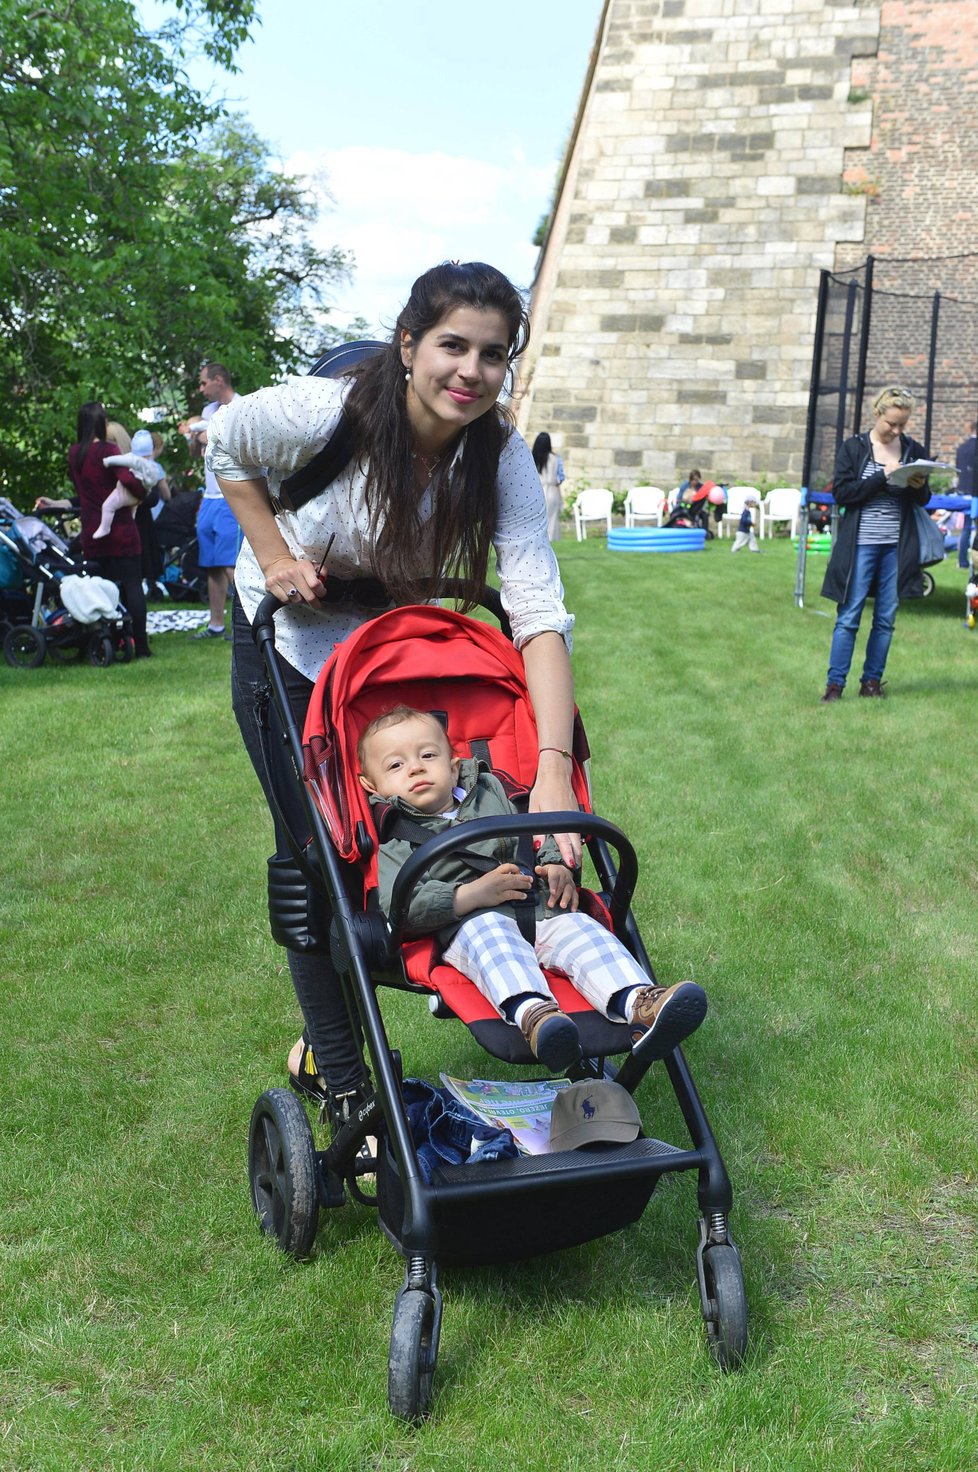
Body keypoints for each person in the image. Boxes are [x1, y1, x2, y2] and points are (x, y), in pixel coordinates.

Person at [207, 261, 583, 1122]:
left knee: (416, 830)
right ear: (409, 344)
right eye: (453, 345)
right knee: (317, 853)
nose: (471, 372)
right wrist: (271, 555)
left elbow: (537, 615)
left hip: (390, 658)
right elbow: (227, 442)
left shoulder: (497, 458)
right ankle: (344, 1078)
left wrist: (555, 773)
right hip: (294, 648)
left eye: (493, 356)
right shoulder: (328, 412)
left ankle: (455, 968)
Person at [358, 705, 707, 1073]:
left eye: (428, 755)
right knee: (490, 937)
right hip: (471, 922)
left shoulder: (492, 789)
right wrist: (470, 896)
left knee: (584, 930)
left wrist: (557, 864)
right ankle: (537, 1018)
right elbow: (400, 907)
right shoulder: (395, 837)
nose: (415, 767)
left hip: (541, 907)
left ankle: (642, 1004)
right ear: (372, 785)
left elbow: (538, 823)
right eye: (396, 766)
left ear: (454, 764)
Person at [820, 385, 931, 702]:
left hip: (896, 547)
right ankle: (834, 685)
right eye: (891, 423)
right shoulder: (853, 449)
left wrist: (918, 484)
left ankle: (871, 683)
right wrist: (882, 476)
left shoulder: (912, 450)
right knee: (849, 616)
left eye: (902, 425)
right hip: (860, 545)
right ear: (877, 413)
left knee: (885, 619)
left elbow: (923, 500)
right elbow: (843, 494)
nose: (896, 430)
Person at [36, 402, 152, 657]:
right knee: (132, 585)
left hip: (92, 531)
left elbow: (82, 491)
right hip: (120, 529)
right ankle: (140, 645)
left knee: (100, 586)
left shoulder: (75, 453)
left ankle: (103, 639)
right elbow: (128, 480)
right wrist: (142, 493)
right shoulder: (108, 450)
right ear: (101, 422)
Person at [183, 362, 239, 639]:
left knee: (231, 563)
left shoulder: (241, 407)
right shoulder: (207, 413)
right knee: (212, 564)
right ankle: (216, 625)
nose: (201, 388)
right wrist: (192, 437)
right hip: (210, 497)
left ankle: (246, 625)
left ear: (219, 380)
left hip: (232, 496)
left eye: (204, 383)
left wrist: (209, 435)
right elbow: (197, 453)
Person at [98, 428, 169, 540]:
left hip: (140, 531)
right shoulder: (146, 465)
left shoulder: (133, 464)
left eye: (109, 441)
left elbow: (154, 496)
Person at [531, 432, 566, 541]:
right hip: (552, 490)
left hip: (536, 490)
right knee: (552, 518)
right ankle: (549, 540)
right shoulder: (556, 458)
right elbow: (561, 477)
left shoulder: (532, 457)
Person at [955, 420, 976, 570]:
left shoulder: (962, 448)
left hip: (964, 490)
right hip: (975, 492)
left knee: (966, 528)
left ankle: (962, 561)